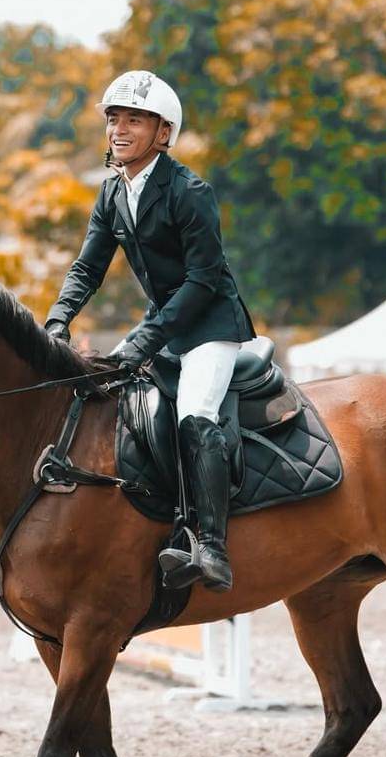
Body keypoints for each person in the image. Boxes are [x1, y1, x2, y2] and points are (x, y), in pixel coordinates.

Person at [44, 70, 256, 593]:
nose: (118, 128)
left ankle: (210, 546)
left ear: (163, 133)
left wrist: (144, 339)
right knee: (112, 402)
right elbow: (87, 269)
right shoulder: (113, 192)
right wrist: (56, 319)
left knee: (194, 416)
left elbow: (204, 280)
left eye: (133, 120)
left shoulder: (190, 191)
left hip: (210, 325)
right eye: (113, 119)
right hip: (166, 325)